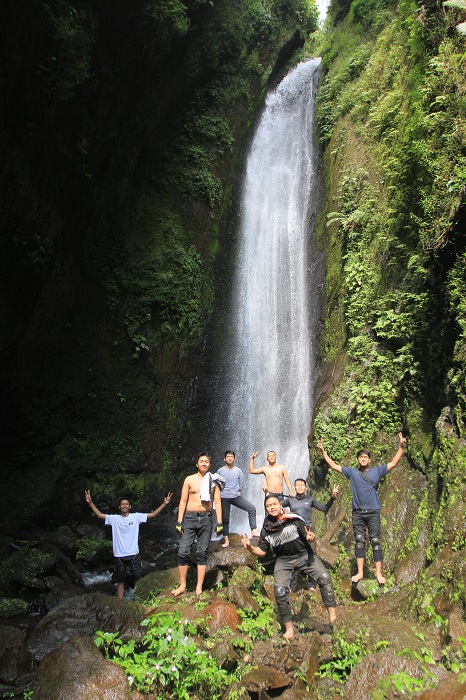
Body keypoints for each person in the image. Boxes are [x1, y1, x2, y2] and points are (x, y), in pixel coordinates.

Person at [317, 432, 407, 584]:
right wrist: (323, 451)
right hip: (358, 512)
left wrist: (401, 447)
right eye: (361, 457)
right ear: (357, 459)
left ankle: (379, 574)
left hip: (373, 512)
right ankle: (359, 573)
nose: (363, 459)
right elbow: (333, 465)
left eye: (365, 457)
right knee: (359, 541)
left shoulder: (377, 471)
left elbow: (393, 463)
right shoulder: (352, 472)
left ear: (369, 459)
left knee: (376, 541)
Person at [242, 494, 337, 639]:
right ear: (266, 509)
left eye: (275, 504)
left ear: (281, 505)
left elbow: (307, 535)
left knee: (324, 578)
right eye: (269, 505)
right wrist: (249, 547)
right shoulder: (266, 529)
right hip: (283, 560)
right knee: (279, 591)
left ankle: (333, 619)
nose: (272, 507)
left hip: (303, 555)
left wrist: (311, 537)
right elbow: (261, 552)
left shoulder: (294, 519)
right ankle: (289, 630)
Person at [84, 490, 172, 599]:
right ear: (119, 507)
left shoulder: (136, 517)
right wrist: (90, 502)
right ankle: (120, 603)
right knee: (120, 580)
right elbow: (100, 515)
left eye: (126, 504)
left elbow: (153, 514)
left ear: (129, 506)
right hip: (119, 555)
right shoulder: (114, 519)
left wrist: (165, 503)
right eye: (122, 504)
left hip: (133, 553)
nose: (124, 506)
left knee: (138, 577)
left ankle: (141, 599)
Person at [171, 453, 223, 597]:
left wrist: (220, 522)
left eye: (206, 461)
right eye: (201, 461)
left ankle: (198, 587)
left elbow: (217, 502)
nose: (204, 463)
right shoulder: (189, 479)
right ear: (197, 464)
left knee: (202, 553)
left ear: (210, 465)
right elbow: (182, 501)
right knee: (183, 551)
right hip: (189, 518)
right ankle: (182, 585)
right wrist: (179, 521)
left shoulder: (214, 481)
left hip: (206, 519)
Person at [283, 478, 339, 590]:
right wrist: (267, 493)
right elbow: (275, 506)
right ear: (294, 487)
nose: (299, 487)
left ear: (305, 487)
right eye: (297, 485)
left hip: (308, 531)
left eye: (301, 485)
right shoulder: (290, 500)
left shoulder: (310, 500)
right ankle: (292, 586)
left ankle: (312, 584)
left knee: (311, 556)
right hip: (294, 531)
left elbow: (324, 508)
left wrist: (332, 497)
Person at [216, 450, 258, 548]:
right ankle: (226, 541)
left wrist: (236, 492)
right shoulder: (220, 471)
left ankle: (253, 530)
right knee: (225, 519)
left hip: (235, 497)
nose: (230, 458)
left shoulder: (238, 470)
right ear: (224, 459)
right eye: (228, 456)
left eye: (231, 456)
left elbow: (241, 484)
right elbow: (216, 484)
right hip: (224, 497)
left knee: (251, 508)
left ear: (234, 459)